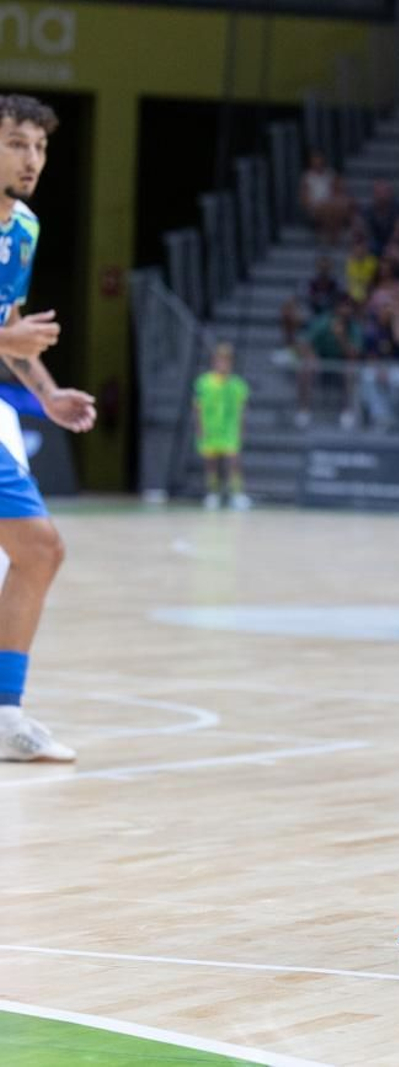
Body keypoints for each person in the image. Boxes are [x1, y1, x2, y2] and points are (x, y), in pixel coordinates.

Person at [0, 95, 96, 763]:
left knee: (40, 549)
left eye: (38, 146)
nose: (31, 159)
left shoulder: (24, 228)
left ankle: (5, 714)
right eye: (15, 143)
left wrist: (48, 392)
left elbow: (12, 332)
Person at [193, 342, 251, 511]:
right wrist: (199, 428)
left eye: (226, 360)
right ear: (214, 361)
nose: (223, 364)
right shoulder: (203, 383)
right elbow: (197, 408)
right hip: (210, 430)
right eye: (220, 360)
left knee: (234, 462)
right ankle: (213, 493)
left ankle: (237, 494)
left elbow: (242, 411)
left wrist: (241, 430)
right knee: (211, 463)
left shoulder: (238, 385)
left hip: (229, 430)